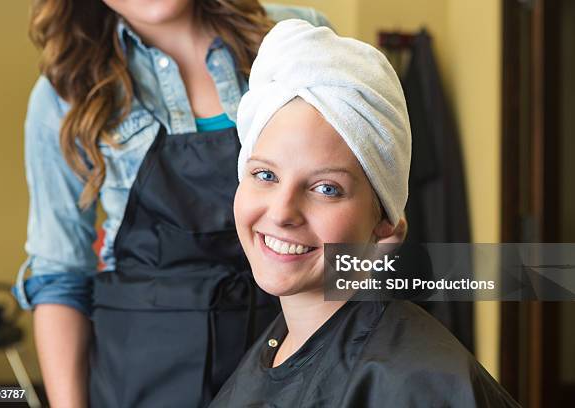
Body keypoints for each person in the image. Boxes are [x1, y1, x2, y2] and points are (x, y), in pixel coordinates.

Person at [13, 1, 330, 407]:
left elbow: (357, 221)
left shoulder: (298, 36)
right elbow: (60, 278)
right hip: (138, 375)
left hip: (294, 360)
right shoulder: (63, 93)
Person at [209, 19, 520, 407]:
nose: (283, 210)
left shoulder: (414, 381)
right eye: (265, 174)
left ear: (386, 224)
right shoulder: (278, 343)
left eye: (326, 189)